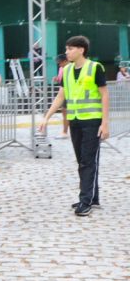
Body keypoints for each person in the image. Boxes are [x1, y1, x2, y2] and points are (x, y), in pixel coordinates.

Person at [39, 35, 110, 216]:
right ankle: (92, 197)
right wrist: (46, 117)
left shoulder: (95, 68)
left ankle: (85, 202)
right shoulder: (67, 70)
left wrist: (105, 123)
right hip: (75, 121)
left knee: (87, 161)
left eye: (70, 48)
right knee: (83, 161)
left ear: (81, 50)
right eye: (66, 48)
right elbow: (61, 96)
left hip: (93, 121)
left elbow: (104, 95)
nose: (66, 52)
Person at [53, 54, 70, 138]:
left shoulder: (70, 68)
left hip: (70, 92)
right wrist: (57, 78)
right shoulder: (61, 69)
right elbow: (61, 80)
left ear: (65, 61)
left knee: (65, 111)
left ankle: (65, 131)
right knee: (64, 111)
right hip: (64, 91)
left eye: (60, 63)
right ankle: (65, 131)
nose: (59, 65)